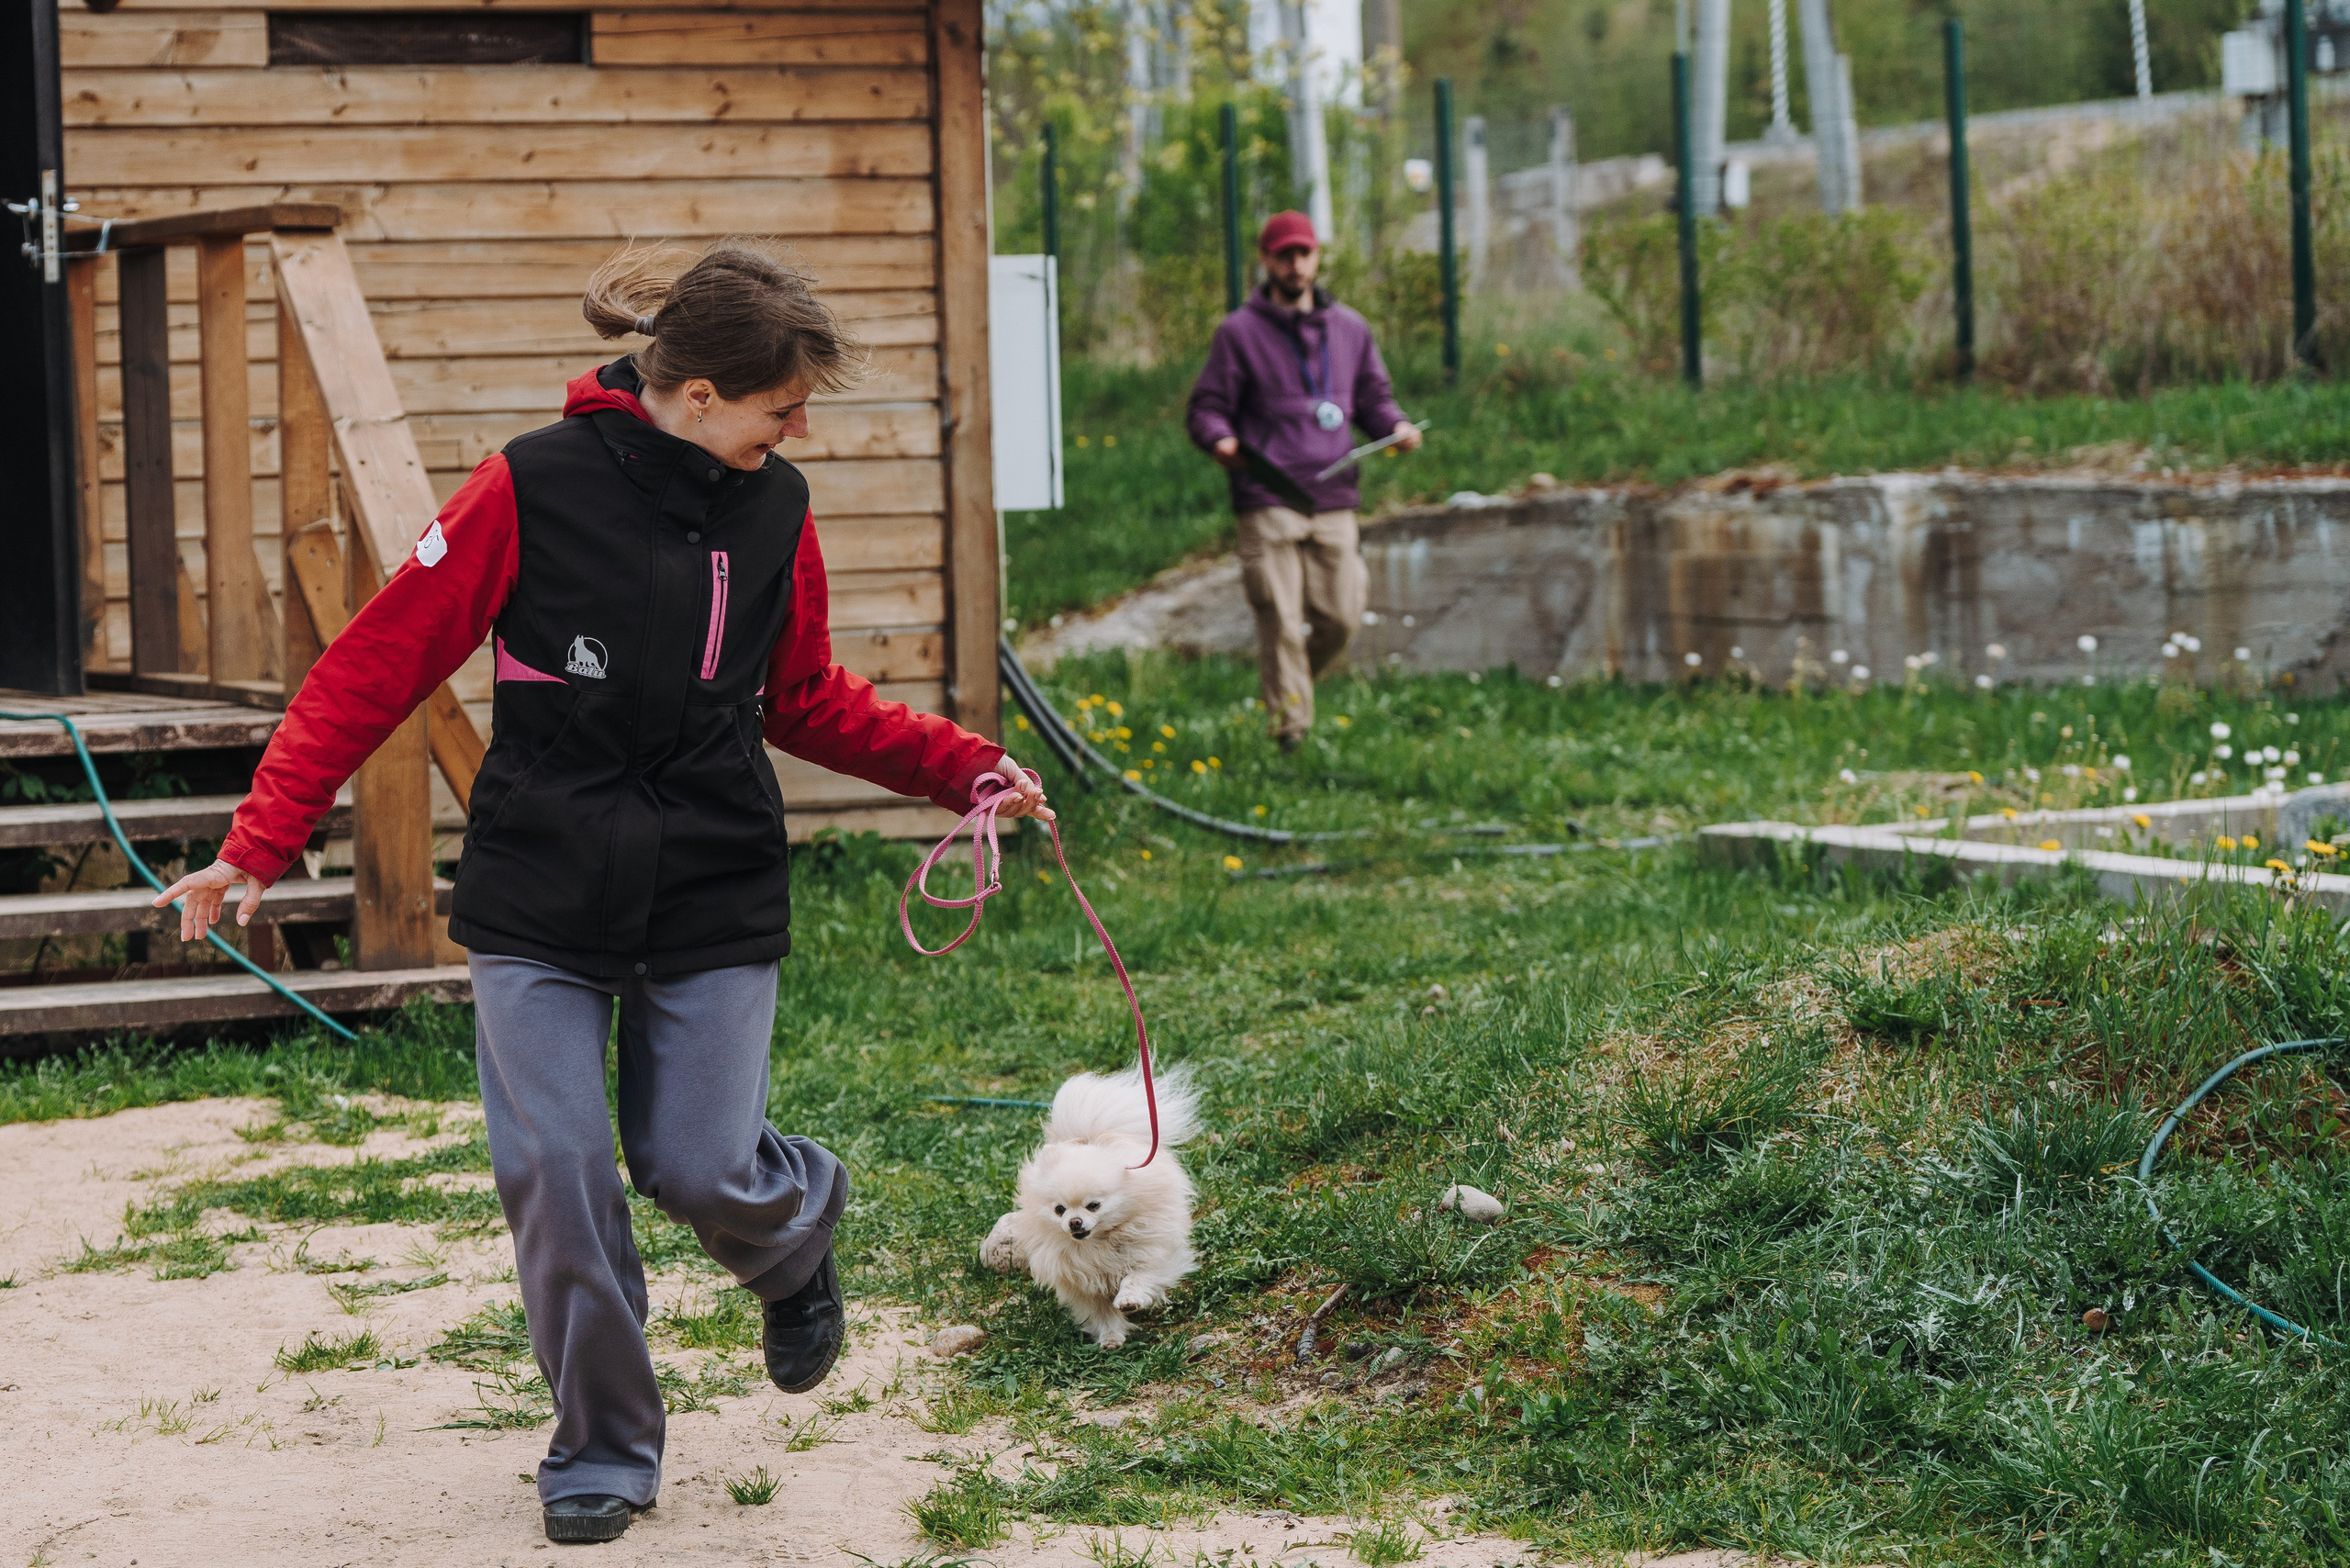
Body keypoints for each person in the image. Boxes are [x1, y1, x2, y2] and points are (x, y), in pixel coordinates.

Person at [152, 239, 1051, 1547]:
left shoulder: (776, 506)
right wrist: (259, 838)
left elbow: (802, 697)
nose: (796, 430)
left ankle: (793, 1230)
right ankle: (604, 1449)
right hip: (541, 886)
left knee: (695, 1163)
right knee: (560, 1171)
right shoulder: (526, 486)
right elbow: (374, 664)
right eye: (780, 407)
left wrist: (966, 768)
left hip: (710, 876)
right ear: (695, 396)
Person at [1186, 210, 1420, 747]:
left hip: (1334, 495)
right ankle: (1289, 733)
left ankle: (1292, 690)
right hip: (1267, 494)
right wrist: (1220, 440)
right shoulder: (1238, 333)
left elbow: (1374, 399)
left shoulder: (1352, 329)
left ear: (1317, 258)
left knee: (1342, 616)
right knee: (1282, 620)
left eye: (1304, 253)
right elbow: (1206, 408)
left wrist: (1398, 426)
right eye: (1284, 255)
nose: (1295, 264)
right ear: (1266, 261)